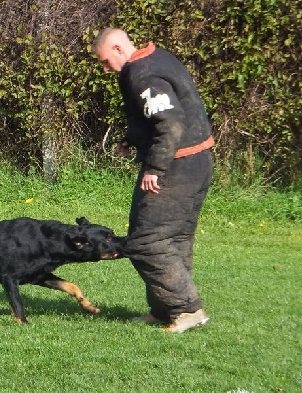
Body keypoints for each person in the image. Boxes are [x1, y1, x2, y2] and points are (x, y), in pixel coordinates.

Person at [92, 27, 215, 333]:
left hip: (177, 164)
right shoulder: (158, 59)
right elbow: (156, 115)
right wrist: (132, 139)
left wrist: (155, 169)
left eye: (106, 62)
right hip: (197, 160)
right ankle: (166, 310)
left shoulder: (143, 73)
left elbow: (170, 123)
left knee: (146, 241)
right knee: (173, 239)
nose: (106, 70)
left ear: (119, 49)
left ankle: (187, 309)